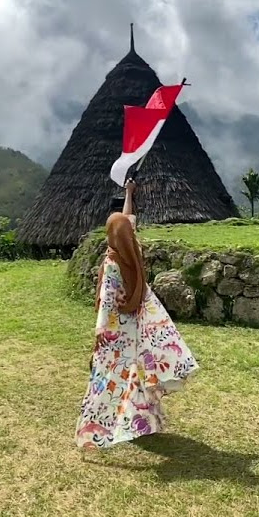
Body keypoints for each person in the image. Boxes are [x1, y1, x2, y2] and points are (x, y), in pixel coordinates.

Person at [75, 180, 199, 451]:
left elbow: (107, 304)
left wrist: (99, 340)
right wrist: (129, 194)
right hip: (134, 331)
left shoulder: (114, 258)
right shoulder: (133, 253)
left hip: (120, 333)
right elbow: (128, 222)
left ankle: (128, 423)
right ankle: (140, 421)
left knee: (120, 377)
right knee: (138, 375)